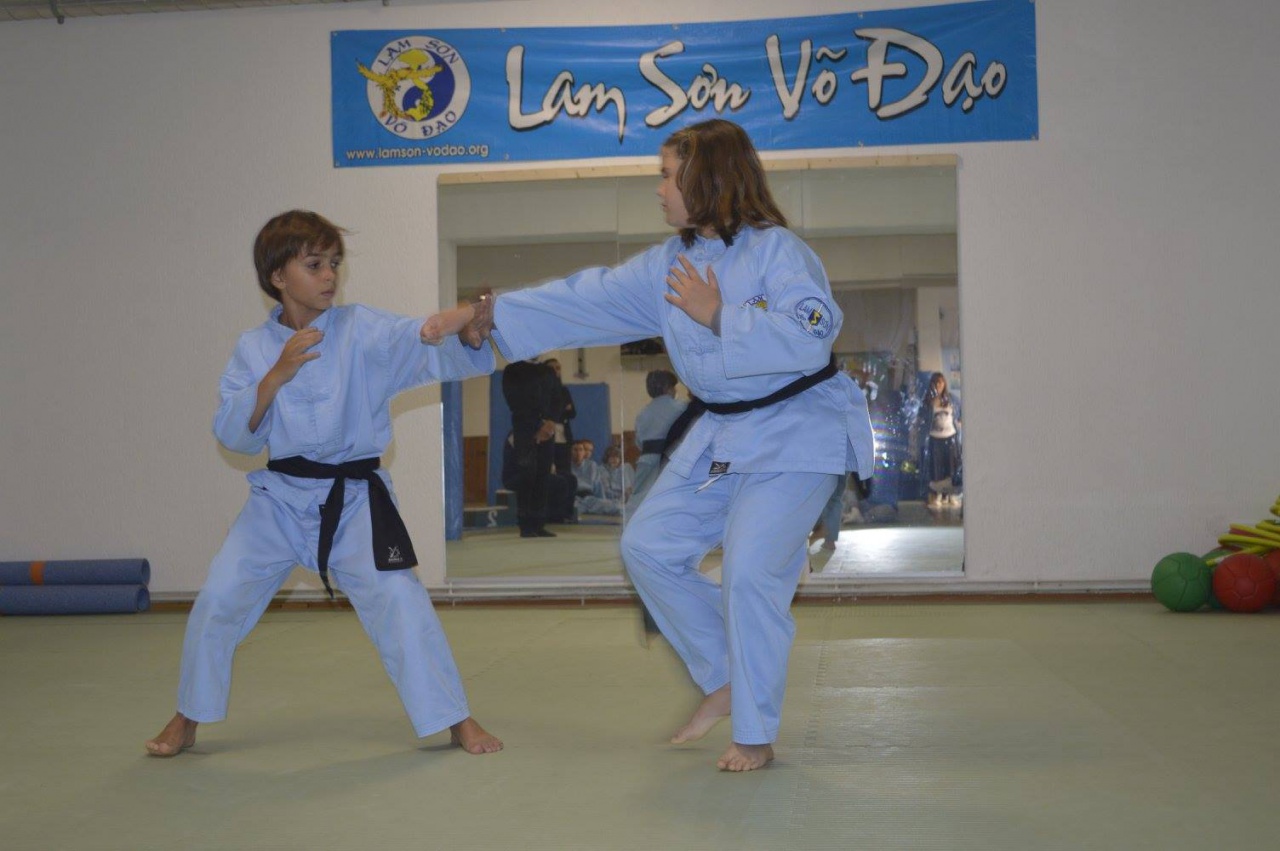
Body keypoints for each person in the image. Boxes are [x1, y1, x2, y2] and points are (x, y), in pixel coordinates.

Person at [425, 119, 874, 772]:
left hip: (798, 431)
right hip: (725, 431)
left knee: (750, 570)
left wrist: (719, 314)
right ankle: (726, 674)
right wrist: (485, 312)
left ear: (708, 177)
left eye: (667, 175)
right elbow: (583, 301)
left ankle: (755, 731)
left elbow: (813, 334)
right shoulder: (669, 265)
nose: (658, 189)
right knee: (648, 545)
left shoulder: (778, 252)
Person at [145, 211, 502, 758]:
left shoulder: (361, 329)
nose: (330, 275)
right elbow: (233, 436)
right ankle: (188, 715)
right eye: (314, 265)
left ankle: (455, 718)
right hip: (279, 501)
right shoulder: (253, 349)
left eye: (334, 263)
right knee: (219, 598)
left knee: (399, 600)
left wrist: (470, 326)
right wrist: (275, 375)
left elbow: (420, 340)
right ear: (278, 276)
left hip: (355, 499)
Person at [500, 358, 561, 537]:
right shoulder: (512, 370)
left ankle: (539, 523)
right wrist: (535, 424)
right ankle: (525, 524)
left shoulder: (548, 372)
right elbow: (513, 399)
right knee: (527, 473)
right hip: (524, 427)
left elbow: (557, 398)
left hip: (548, 428)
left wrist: (550, 421)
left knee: (543, 474)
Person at [630, 369, 687, 510]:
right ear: (668, 388)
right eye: (674, 387)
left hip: (646, 460)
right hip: (671, 460)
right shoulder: (681, 408)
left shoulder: (642, 413)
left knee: (639, 501)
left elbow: (639, 442)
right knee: (672, 501)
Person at [920, 371, 962, 509]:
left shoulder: (952, 399)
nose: (939, 385)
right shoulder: (927, 401)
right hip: (934, 439)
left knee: (952, 468)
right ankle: (937, 495)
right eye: (936, 382)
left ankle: (951, 495)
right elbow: (921, 418)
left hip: (951, 438)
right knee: (937, 469)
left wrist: (960, 423)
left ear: (944, 384)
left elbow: (962, 412)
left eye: (941, 382)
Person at [577, 444, 634, 516]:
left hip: (621, 500)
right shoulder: (601, 470)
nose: (615, 459)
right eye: (612, 457)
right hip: (606, 499)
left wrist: (627, 495)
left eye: (617, 457)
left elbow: (628, 489)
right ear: (607, 458)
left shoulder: (624, 469)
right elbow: (604, 491)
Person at [544, 357, 577, 475]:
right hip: (546, 435)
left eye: (558, 368)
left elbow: (572, 413)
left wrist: (558, 410)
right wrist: (563, 408)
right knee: (546, 470)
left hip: (564, 437)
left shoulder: (564, 390)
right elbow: (545, 413)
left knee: (565, 472)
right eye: (551, 368)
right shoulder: (539, 390)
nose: (555, 371)